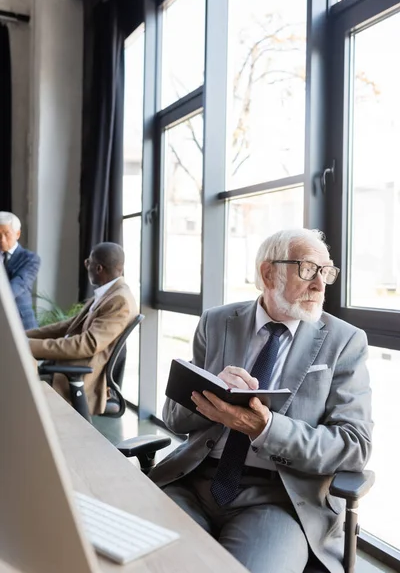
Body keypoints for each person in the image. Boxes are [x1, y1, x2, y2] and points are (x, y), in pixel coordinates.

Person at [149, 228, 373, 573]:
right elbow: (175, 419)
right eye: (308, 269)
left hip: (279, 499)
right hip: (193, 482)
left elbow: (354, 446)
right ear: (269, 273)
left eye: (325, 272)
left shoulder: (345, 341)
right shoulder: (217, 322)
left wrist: (265, 428)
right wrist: (209, 392)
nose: (320, 285)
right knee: (142, 559)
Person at [26, 242, 138, 415]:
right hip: (64, 367)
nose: (87, 266)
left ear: (99, 268)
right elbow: (67, 326)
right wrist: (21, 336)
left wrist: (25, 345)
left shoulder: (119, 300)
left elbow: (86, 344)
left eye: (88, 262)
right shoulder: (109, 293)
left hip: (79, 379)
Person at [0, 211, 41, 330]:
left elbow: (18, 284)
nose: (2, 240)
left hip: (21, 322)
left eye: (7, 234)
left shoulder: (30, 259)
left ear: (17, 234)